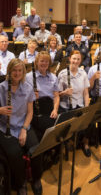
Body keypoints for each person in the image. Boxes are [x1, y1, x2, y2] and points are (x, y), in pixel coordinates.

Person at [0, 58, 43, 194]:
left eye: (20, 70)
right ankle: (21, 184)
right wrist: (0, 110)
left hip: (23, 125)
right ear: (9, 71)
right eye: (14, 70)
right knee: (15, 154)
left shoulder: (28, 87)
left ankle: (36, 178)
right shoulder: (1, 87)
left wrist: (24, 129)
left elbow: (30, 112)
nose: (17, 73)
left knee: (36, 148)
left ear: (23, 72)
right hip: (4, 127)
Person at [57, 50, 91, 156]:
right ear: (69, 59)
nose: (76, 61)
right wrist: (64, 92)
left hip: (79, 105)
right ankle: (69, 142)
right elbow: (57, 95)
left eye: (78, 59)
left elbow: (86, 93)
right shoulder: (62, 74)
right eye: (74, 58)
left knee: (88, 121)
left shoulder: (83, 73)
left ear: (80, 61)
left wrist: (86, 108)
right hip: (66, 106)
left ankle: (85, 143)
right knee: (69, 123)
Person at [26, 51, 60, 140]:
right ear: (36, 62)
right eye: (42, 61)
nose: (44, 63)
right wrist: (31, 96)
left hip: (50, 109)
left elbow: (56, 96)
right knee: (50, 129)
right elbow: (23, 97)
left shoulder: (53, 77)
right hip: (36, 110)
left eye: (46, 61)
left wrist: (55, 110)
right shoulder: (28, 77)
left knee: (61, 126)